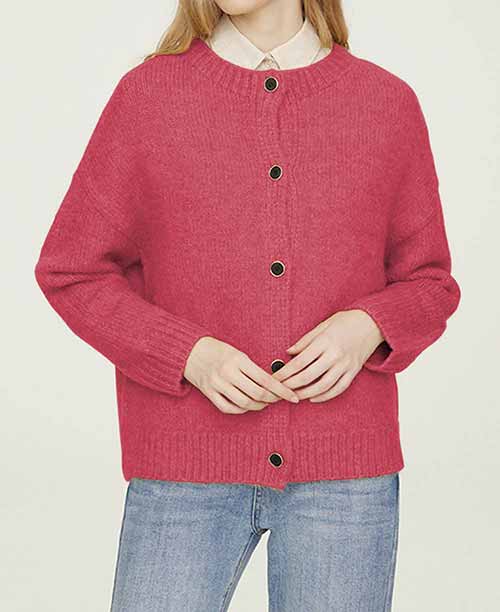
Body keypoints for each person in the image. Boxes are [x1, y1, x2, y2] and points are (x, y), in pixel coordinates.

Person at [33, 1, 461, 610]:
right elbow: (72, 270)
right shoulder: (149, 97)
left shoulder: (384, 102)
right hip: (184, 471)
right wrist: (189, 355)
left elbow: (430, 282)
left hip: (344, 478)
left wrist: (368, 325)